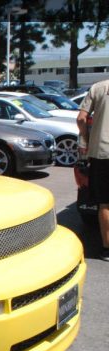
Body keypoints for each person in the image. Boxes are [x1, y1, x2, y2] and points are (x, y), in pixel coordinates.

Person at [77, 80, 109, 261]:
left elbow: (81, 118)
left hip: (102, 153)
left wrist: (86, 140)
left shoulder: (98, 88)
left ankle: (107, 249)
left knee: (105, 203)